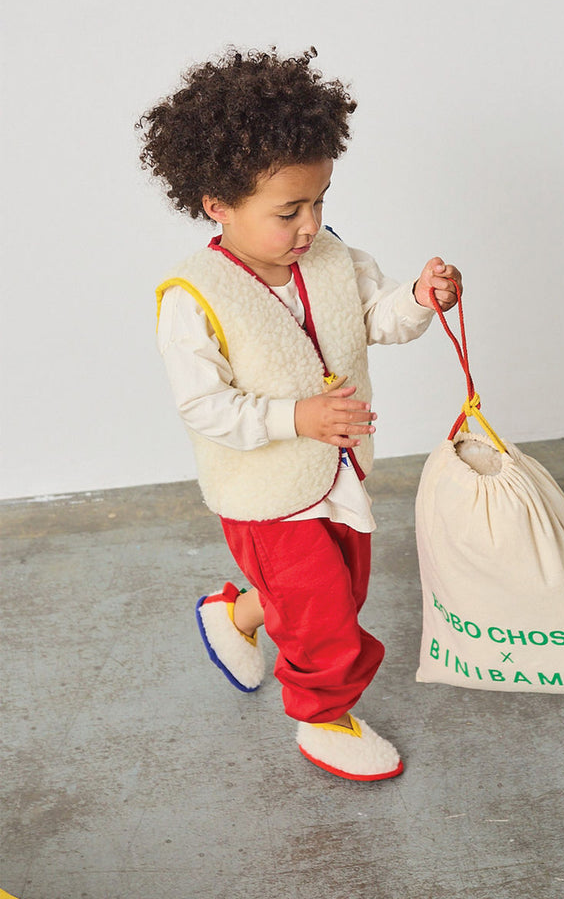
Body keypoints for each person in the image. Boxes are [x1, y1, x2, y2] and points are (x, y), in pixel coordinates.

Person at [138, 47, 462, 781]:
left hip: (339, 472)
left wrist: (419, 298)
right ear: (218, 206)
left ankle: (238, 614)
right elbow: (204, 406)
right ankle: (323, 716)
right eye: (289, 212)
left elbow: (374, 318)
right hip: (264, 495)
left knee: (341, 591)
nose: (311, 224)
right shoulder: (193, 298)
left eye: (320, 202)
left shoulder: (332, 256)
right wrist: (296, 419)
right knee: (324, 620)